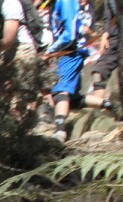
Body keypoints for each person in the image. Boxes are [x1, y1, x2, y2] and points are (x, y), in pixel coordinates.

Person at [42, 0, 89, 142]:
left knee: (59, 91)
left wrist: (50, 51)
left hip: (71, 51)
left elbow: (69, 34)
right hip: (65, 52)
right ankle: (110, 106)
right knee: (74, 100)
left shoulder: (66, 1)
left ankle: (59, 132)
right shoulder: (55, 3)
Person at [84, 0, 118, 115]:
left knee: (99, 73)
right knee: (98, 74)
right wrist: (105, 35)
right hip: (113, 37)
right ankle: (97, 115)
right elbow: (108, 17)